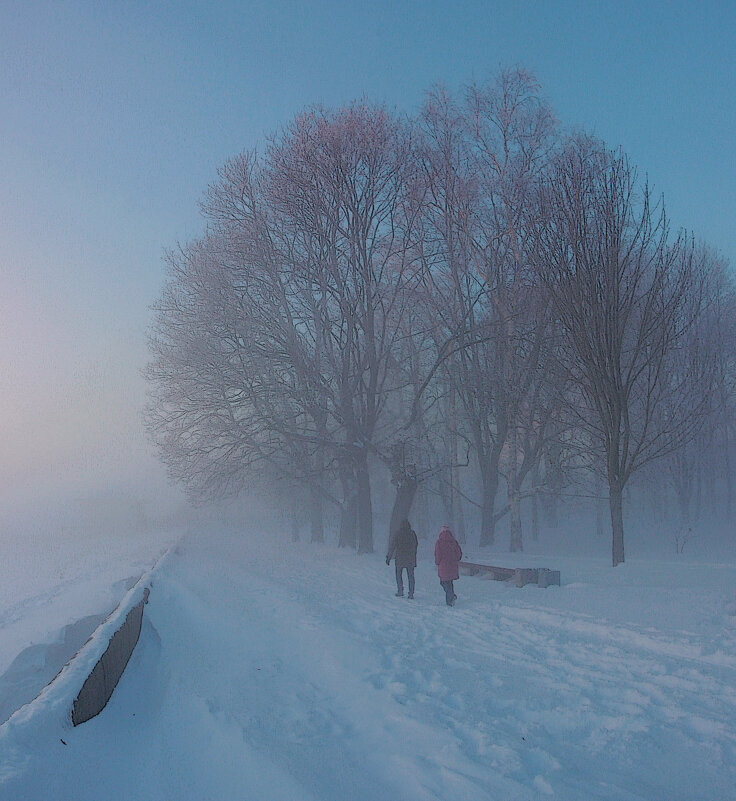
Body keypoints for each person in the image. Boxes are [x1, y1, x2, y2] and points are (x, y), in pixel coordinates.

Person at [386, 519, 418, 598]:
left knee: (398, 574)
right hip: (410, 558)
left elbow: (393, 546)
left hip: (400, 558)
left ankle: (400, 590)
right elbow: (416, 544)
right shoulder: (412, 533)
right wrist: (413, 554)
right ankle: (411, 593)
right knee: (410, 576)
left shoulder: (398, 534)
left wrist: (389, 557)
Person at [434, 525, 462, 606]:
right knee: (450, 582)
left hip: (443, 566)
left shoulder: (439, 542)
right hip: (452, 565)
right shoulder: (454, 541)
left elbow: (438, 554)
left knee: (443, 582)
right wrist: (455, 559)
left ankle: (451, 597)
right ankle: (450, 600)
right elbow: (459, 554)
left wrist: (437, 562)